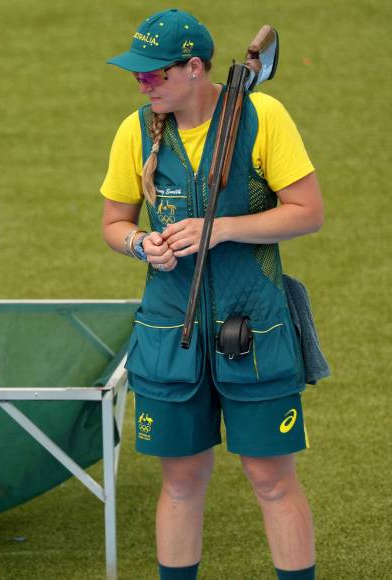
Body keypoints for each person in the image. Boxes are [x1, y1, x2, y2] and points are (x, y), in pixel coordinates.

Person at [100, 10, 323, 580]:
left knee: (271, 479)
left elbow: (307, 212)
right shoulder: (134, 131)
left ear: (194, 68)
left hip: (256, 326)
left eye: (154, 73)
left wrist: (219, 228)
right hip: (169, 330)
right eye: (138, 73)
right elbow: (114, 224)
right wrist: (142, 244)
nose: (142, 83)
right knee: (180, 481)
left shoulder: (263, 116)